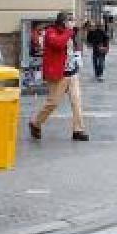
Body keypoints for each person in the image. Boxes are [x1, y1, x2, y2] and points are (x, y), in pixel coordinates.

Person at [29, 11, 89, 142]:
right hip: (59, 74)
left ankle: (78, 130)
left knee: (76, 101)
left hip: (72, 73)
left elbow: (73, 49)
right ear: (63, 22)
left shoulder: (71, 33)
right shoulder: (50, 32)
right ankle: (35, 122)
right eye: (70, 20)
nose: (72, 23)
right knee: (53, 103)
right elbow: (58, 44)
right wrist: (69, 32)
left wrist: (78, 60)